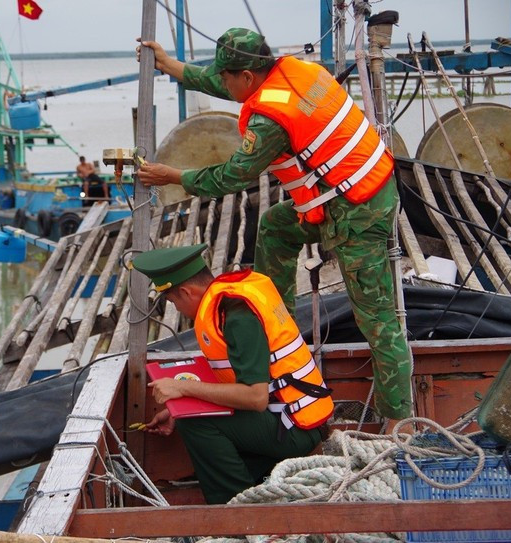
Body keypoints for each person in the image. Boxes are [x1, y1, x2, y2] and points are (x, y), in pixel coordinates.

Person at [136, 28, 412, 429]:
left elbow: (231, 177)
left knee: (378, 320)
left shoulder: (269, 119)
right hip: (343, 194)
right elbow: (220, 80)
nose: (224, 84)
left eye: (228, 77)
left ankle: (398, 423)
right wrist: (171, 65)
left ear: (247, 77)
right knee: (275, 226)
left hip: (358, 211)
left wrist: (172, 175)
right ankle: (273, 323)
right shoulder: (294, 71)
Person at [132, 243, 331, 504]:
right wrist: (179, 407)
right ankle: (254, 490)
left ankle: (235, 510)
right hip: (281, 415)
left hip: (295, 428)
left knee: (196, 422)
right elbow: (233, 377)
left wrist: (183, 389)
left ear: (186, 292)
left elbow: (256, 397)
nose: (177, 310)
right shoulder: (226, 303)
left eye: (173, 302)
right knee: (188, 416)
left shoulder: (238, 318)